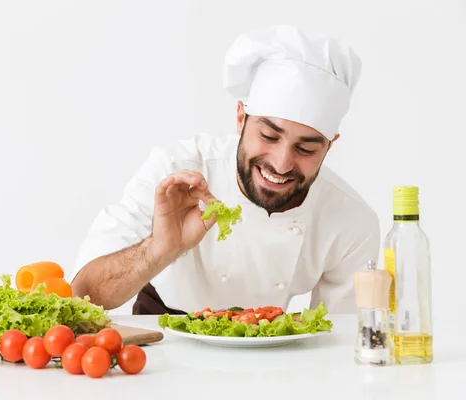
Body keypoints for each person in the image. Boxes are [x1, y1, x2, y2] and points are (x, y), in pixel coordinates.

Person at [70, 25, 380, 315]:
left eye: (306, 148)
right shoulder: (175, 170)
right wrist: (159, 250)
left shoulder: (350, 222)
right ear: (241, 117)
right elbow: (83, 295)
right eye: (269, 136)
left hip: (268, 347)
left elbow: (342, 338)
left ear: (329, 145)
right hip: (164, 335)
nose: (282, 164)